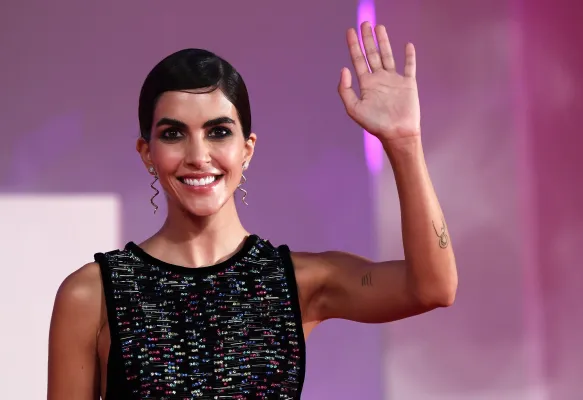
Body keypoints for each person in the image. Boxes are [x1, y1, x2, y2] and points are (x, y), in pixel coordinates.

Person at [48, 22, 457, 400]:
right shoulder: (91, 295)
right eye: (173, 134)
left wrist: (404, 143)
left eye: (218, 132)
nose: (198, 156)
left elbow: (433, 287)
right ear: (146, 153)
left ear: (247, 149)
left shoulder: (299, 282)